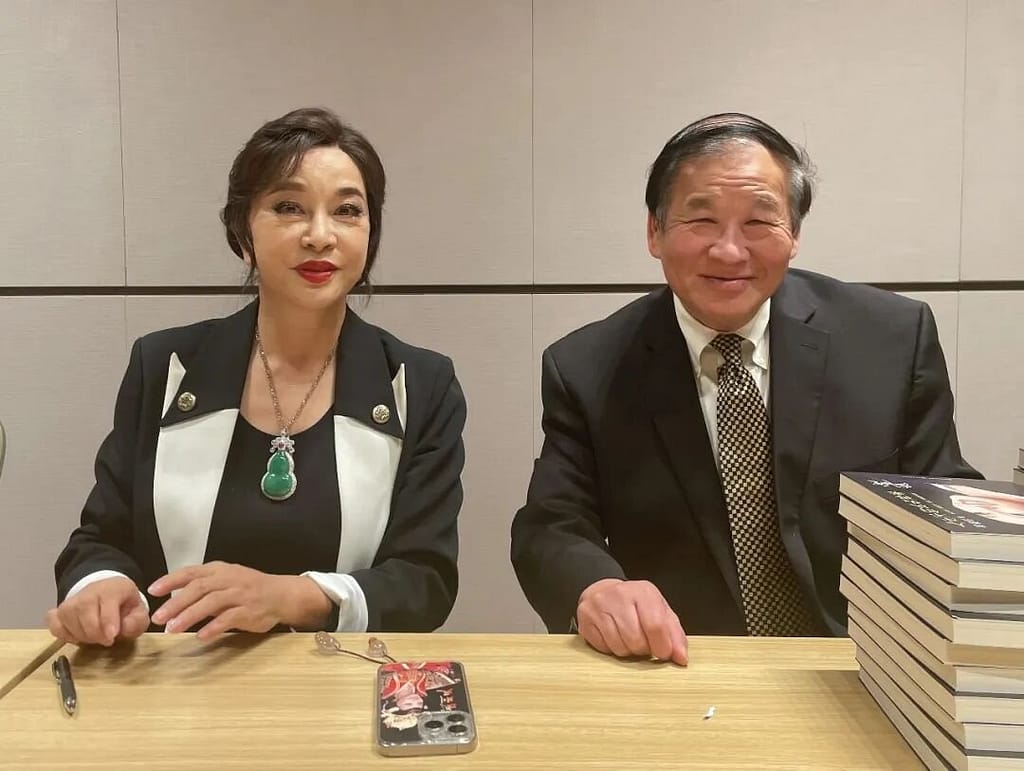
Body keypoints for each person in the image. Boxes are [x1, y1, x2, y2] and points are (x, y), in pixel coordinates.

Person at [511, 113, 981, 664]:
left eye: (759, 221)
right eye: (701, 220)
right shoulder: (588, 367)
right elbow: (552, 524)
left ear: (794, 234)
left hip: (866, 663)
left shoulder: (891, 341)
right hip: (679, 663)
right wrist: (596, 587)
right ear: (654, 232)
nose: (730, 252)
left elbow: (942, 501)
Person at [47, 107, 466, 645]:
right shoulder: (166, 366)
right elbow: (100, 539)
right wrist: (100, 588)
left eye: (347, 211)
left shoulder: (419, 383)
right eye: (289, 207)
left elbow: (424, 580)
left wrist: (289, 598)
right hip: (175, 679)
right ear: (242, 230)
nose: (320, 235)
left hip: (341, 680)